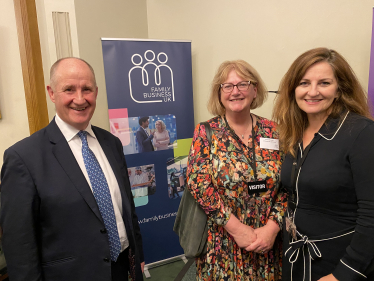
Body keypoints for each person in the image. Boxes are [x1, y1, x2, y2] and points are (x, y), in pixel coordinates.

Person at [0, 58, 144, 281]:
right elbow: (19, 245)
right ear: (52, 92)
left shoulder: (111, 143)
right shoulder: (23, 158)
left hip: (122, 268)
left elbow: (127, 209)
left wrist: (138, 254)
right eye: (69, 89)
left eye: (86, 89)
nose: (80, 99)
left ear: (95, 92)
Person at [273, 48, 374, 281]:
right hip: (297, 255)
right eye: (304, 83)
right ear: (293, 89)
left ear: (340, 89)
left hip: (338, 263)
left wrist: (345, 273)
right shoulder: (294, 132)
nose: (313, 91)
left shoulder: (361, 133)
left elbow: (371, 214)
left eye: (324, 83)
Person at [186, 60, 287, 280]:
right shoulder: (206, 132)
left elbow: (288, 184)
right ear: (219, 93)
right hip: (223, 245)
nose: (235, 91)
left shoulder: (274, 130)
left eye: (242, 84)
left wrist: (272, 228)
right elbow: (198, 185)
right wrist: (237, 230)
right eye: (228, 86)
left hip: (268, 245)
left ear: (254, 89)